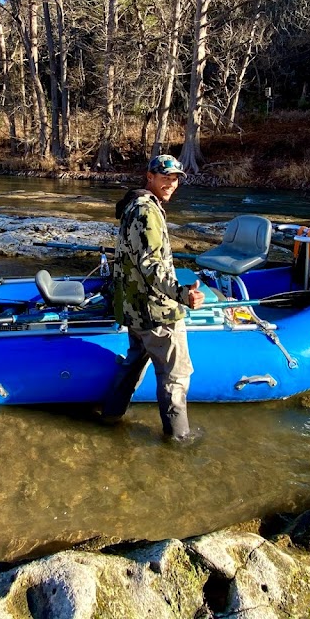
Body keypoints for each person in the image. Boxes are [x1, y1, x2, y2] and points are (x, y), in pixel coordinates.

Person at [101, 155, 205, 442]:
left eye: (175, 178)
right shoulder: (147, 212)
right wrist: (182, 294)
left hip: (134, 311)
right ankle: (178, 438)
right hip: (156, 313)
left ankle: (110, 416)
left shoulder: (133, 205)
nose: (171, 183)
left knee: (134, 363)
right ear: (149, 177)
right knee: (176, 375)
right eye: (165, 177)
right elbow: (152, 266)